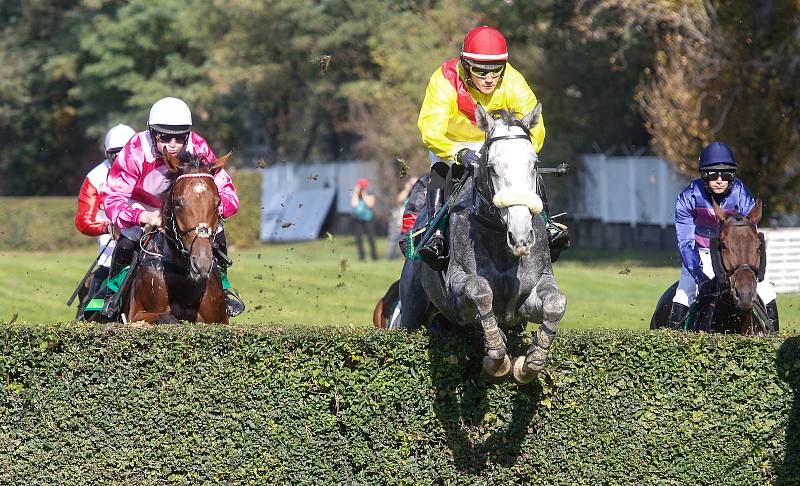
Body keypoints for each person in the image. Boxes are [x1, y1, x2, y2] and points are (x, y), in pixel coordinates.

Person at [415, 25, 568, 265]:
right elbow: (430, 130)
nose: (489, 79)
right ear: (466, 66)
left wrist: (523, 152)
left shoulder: (514, 81)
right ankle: (434, 234)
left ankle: (548, 226)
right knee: (440, 170)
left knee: (527, 167)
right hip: (452, 144)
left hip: (497, 143)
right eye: (480, 71)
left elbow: (536, 127)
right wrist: (459, 152)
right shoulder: (444, 79)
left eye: (496, 71)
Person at [101, 97, 245, 318]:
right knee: (130, 235)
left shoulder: (198, 146)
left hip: (185, 209)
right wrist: (144, 216)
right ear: (152, 133)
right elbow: (112, 198)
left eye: (180, 137)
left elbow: (229, 194)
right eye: (165, 136)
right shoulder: (136, 149)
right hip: (143, 204)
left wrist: (208, 211)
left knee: (216, 230)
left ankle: (223, 287)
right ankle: (114, 293)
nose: (172, 144)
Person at [668, 141, 779, 330]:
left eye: (725, 173)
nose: (719, 179)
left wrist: (753, 270)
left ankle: (774, 344)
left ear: (732, 175)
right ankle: (670, 344)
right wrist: (700, 277)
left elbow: (750, 239)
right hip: (700, 253)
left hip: (735, 256)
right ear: (704, 175)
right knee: (683, 293)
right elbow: (686, 243)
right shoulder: (688, 197)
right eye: (713, 173)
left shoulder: (741, 193)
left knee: (767, 292)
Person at [75, 124, 137, 312]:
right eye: (114, 154)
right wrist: (109, 228)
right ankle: (88, 316)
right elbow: (83, 221)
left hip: (147, 239)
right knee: (93, 306)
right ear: (106, 153)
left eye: (124, 153)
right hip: (111, 249)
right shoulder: (95, 178)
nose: (120, 160)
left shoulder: (149, 169)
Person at [387, 176, 419, 259]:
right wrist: (407, 189)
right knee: (396, 237)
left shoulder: (420, 194)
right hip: (402, 219)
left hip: (415, 220)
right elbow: (399, 200)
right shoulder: (407, 194)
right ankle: (392, 255)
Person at [351, 177, 378, 261]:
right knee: (359, 239)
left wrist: (363, 194)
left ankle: (374, 256)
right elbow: (354, 205)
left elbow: (370, 204)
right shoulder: (355, 194)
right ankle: (361, 256)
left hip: (368, 219)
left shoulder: (370, 193)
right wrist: (356, 193)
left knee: (371, 238)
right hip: (357, 220)